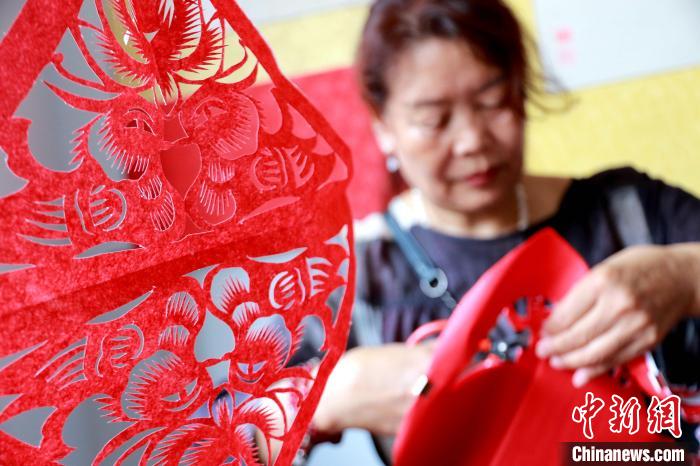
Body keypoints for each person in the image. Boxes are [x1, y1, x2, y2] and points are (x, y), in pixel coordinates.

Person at [297, 0, 700, 462]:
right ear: (382, 125)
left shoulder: (630, 211)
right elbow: (229, 442)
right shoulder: (351, 275)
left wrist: (687, 276)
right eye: (434, 119)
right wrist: (329, 399)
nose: (473, 140)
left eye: (493, 101)